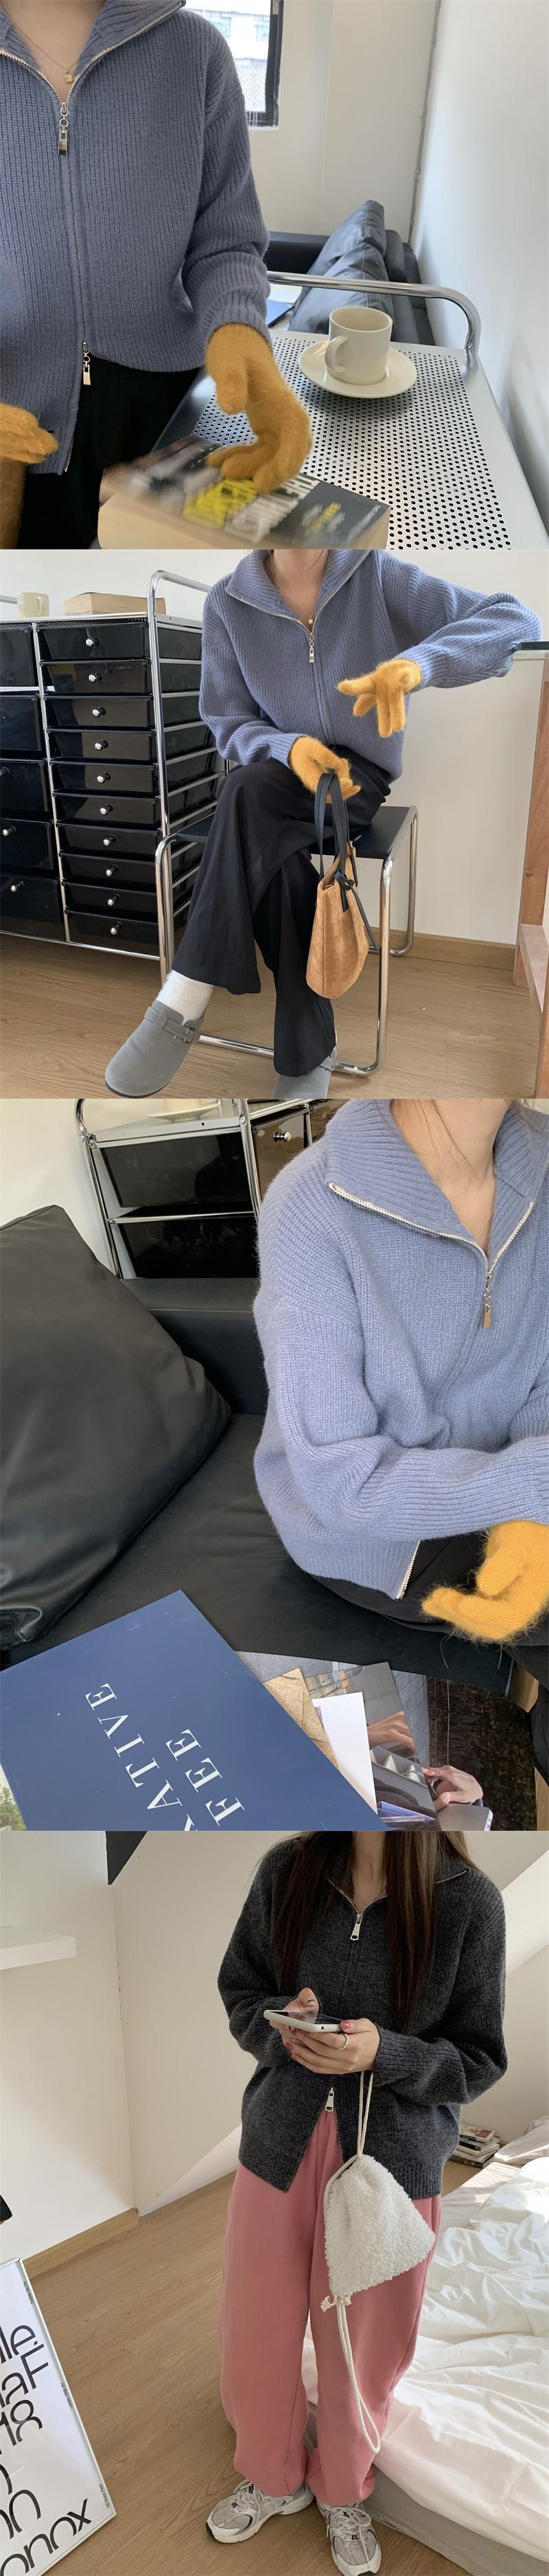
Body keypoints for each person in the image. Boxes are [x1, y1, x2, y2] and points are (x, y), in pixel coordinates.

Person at [104, 547, 541, 1100]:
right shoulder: (227, 603)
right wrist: (288, 748)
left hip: (355, 780)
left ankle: (184, 998)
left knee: (246, 803)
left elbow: (515, 620)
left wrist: (419, 665)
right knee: (261, 819)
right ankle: (308, 1049)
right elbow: (227, 719)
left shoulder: (376, 574)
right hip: (281, 771)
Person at [209, 1827, 506, 2569]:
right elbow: (241, 1990)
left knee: (364, 2345)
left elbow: (477, 2059)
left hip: (392, 2162)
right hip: (277, 2145)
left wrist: (384, 2052)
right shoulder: (287, 1869)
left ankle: (342, 2487)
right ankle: (271, 2475)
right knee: (255, 2328)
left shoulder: (469, 1902)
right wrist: (284, 2023)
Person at [253, 1097, 549, 1778]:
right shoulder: (311, 1205)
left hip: (515, 1472)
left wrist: (528, 1511)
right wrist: (532, 1485)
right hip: (378, 1526)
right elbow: (342, 1483)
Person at [0, 0, 310, 543]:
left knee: (161, 589)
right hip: (13, 427)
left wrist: (239, 330)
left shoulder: (195, 52)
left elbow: (226, 238)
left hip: (169, 414)